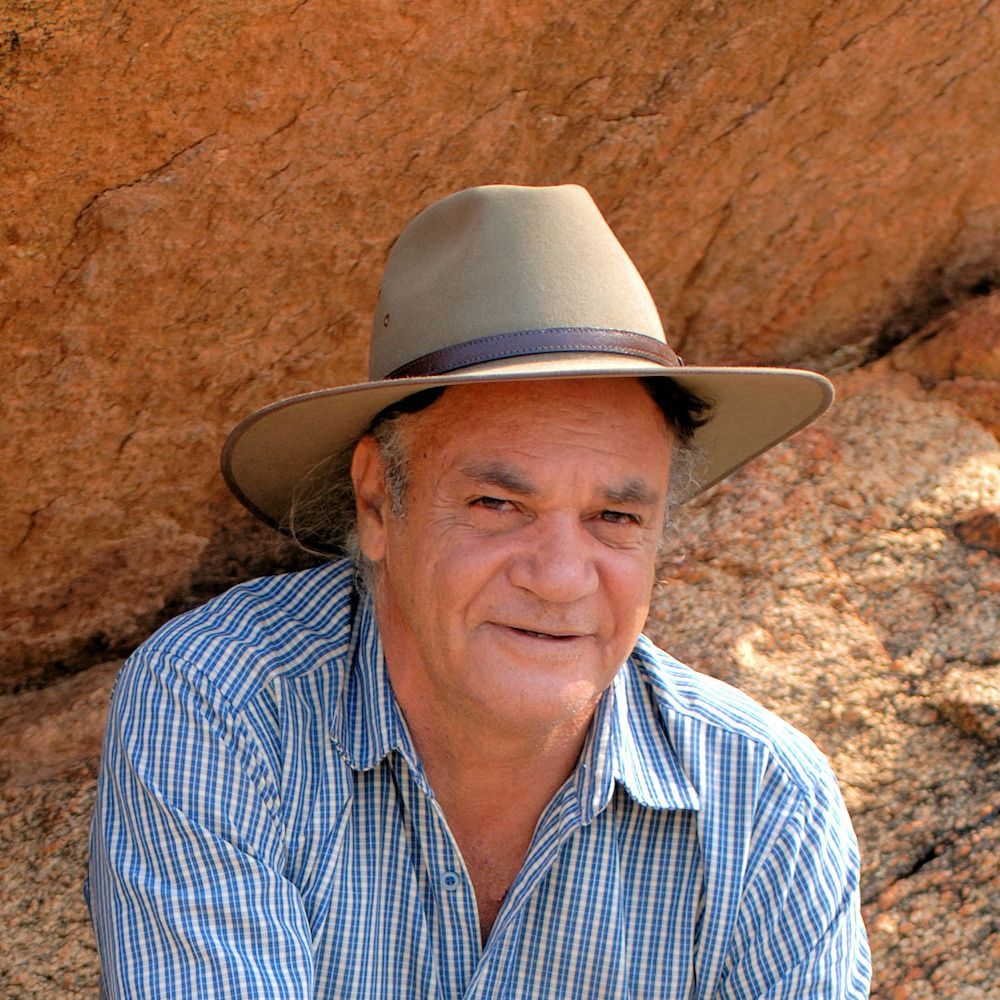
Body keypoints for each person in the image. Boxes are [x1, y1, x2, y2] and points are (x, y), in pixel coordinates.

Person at [87, 184, 871, 997]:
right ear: (377, 503)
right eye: (499, 505)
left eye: (615, 516)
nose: (562, 577)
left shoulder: (768, 801)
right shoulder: (225, 708)